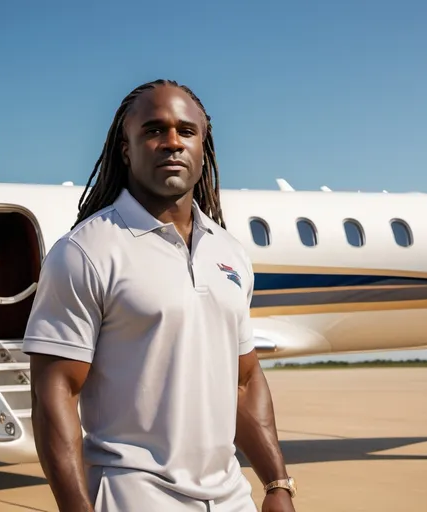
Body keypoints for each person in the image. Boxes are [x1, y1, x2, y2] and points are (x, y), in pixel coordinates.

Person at [23, 79, 297, 512]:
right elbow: (54, 392)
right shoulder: (85, 252)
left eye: (186, 132)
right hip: (134, 497)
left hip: (231, 498)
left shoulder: (230, 253)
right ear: (126, 148)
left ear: (203, 149)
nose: (172, 142)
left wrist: (277, 483)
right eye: (153, 130)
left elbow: (244, 382)